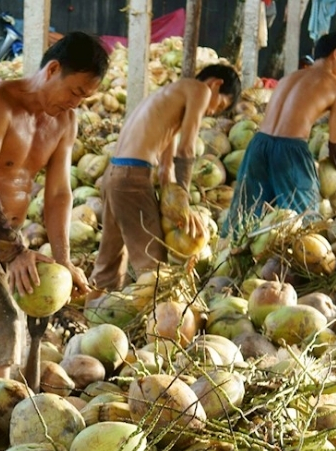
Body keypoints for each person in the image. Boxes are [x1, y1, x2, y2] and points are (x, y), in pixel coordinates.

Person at [0, 32, 106, 395]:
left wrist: (64, 261)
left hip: (10, 235)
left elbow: (58, 193)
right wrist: (13, 252)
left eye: (85, 98)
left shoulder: (64, 121)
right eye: (75, 91)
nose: (76, 103)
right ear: (53, 69)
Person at [92, 64, 241, 291]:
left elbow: (165, 168)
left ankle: (92, 318)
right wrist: (182, 202)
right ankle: (154, 324)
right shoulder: (200, 90)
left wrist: (172, 196)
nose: (212, 112)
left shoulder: (170, 95)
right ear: (216, 84)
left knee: (108, 263)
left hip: (114, 175)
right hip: (133, 178)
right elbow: (187, 150)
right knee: (153, 265)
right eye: (219, 105)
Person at [227, 31, 336, 236]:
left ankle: (228, 262)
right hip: (290, 151)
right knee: (303, 224)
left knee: (244, 220)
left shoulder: (289, 78)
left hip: (258, 145)